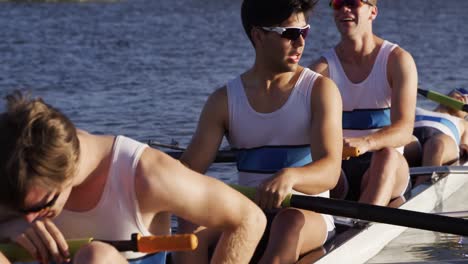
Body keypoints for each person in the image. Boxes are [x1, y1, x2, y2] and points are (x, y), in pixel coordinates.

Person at [0, 91, 266, 264]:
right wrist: (7, 228)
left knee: (97, 257)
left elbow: (248, 219)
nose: (29, 219)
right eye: (17, 208)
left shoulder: (147, 174)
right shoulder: (15, 161)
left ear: (69, 171)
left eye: (38, 208)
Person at [174, 0, 343, 263]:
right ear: (258, 35)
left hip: (308, 214)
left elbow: (331, 171)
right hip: (248, 211)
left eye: (304, 32)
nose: (301, 43)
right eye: (290, 34)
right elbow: (189, 171)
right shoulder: (223, 101)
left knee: (287, 222)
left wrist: (290, 177)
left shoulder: (320, 91)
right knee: (189, 224)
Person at [309, 0, 418, 206]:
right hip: (338, 169)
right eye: (338, 4)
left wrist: (365, 143)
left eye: (353, 3)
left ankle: (364, 222)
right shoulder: (320, 69)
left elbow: (404, 130)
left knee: (387, 156)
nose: (345, 10)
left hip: (385, 168)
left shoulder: (397, 61)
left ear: (372, 12)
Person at [404, 88, 468, 185]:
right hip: (413, 143)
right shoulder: (415, 109)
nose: (464, 96)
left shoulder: (463, 123)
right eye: (461, 91)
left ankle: (423, 185)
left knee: (436, 143)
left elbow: (465, 147)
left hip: (443, 146)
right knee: (398, 144)